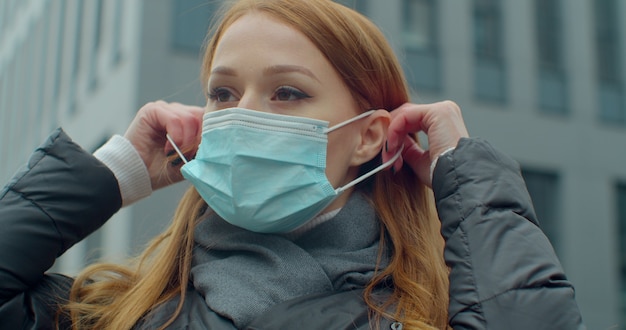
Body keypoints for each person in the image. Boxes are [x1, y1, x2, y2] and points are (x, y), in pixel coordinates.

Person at [0, 0, 585, 329]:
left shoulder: (420, 321)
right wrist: (116, 169)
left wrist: (465, 173)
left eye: (287, 93)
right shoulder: (113, 314)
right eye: (223, 95)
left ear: (368, 137)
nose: (242, 115)